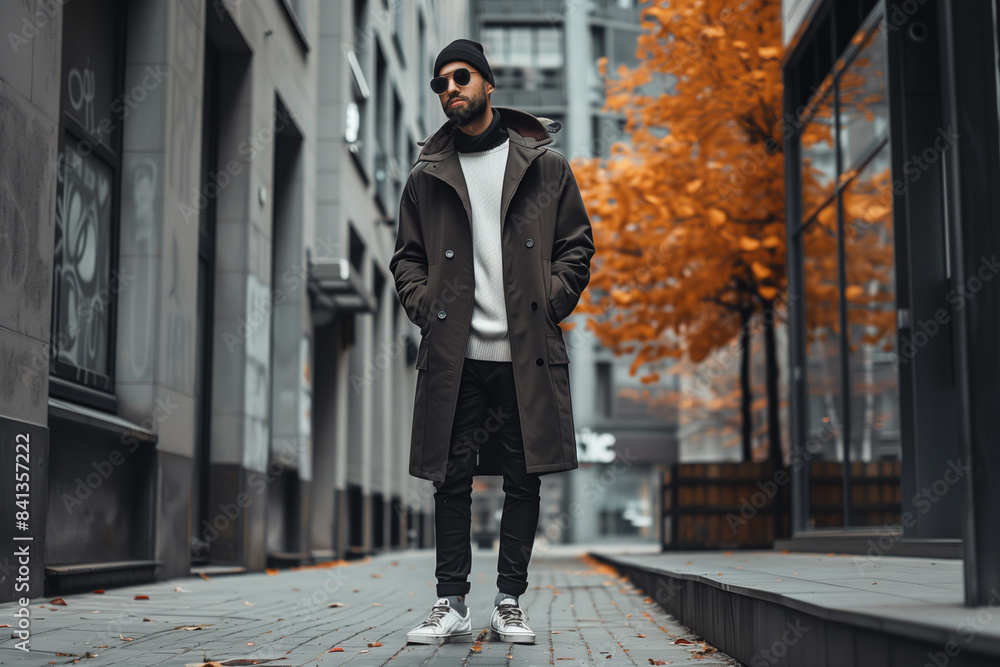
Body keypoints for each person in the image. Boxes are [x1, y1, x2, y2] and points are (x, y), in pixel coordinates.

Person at [391, 38, 594, 645]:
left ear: (487, 83)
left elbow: (577, 249)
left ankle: (509, 600)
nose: (449, 90)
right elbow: (406, 259)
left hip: (522, 353)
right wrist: (427, 308)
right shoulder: (425, 177)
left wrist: (547, 302)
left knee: (523, 479)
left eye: (459, 78)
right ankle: (450, 601)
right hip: (456, 354)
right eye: (440, 85)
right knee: (449, 478)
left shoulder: (545, 166)